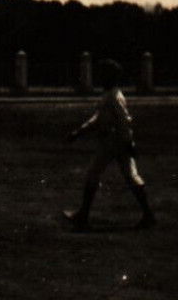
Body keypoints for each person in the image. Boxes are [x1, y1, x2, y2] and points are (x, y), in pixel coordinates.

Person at [65, 59, 156, 231]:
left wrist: (127, 142)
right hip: (116, 141)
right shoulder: (111, 95)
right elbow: (101, 119)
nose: (101, 77)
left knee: (95, 174)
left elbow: (122, 121)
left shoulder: (113, 97)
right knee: (129, 176)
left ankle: (83, 215)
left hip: (113, 142)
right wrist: (80, 132)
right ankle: (148, 214)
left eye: (104, 74)